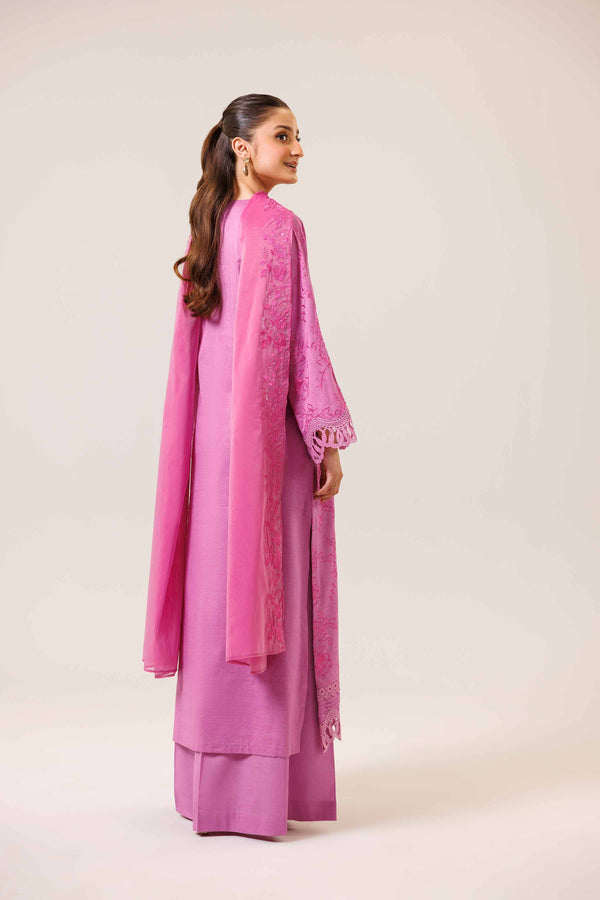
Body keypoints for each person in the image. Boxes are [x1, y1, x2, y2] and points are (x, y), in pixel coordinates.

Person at [142, 93, 357, 838]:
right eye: (282, 135)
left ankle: (211, 788)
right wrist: (324, 436)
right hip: (268, 449)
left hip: (215, 449)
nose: (297, 149)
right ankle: (265, 789)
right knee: (272, 595)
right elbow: (296, 340)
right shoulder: (277, 225)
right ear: (242, 147)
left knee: (216, 597)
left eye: (298, 136)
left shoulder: (210, 227)